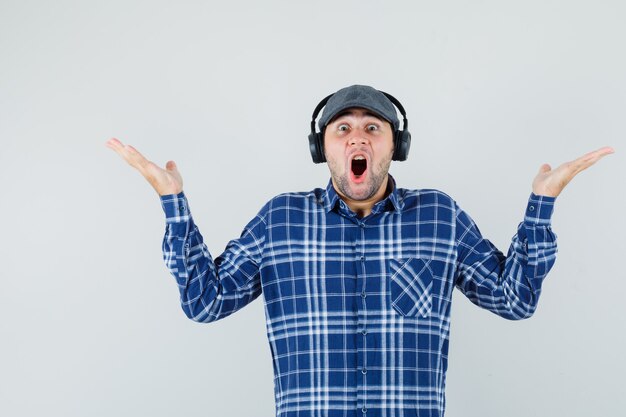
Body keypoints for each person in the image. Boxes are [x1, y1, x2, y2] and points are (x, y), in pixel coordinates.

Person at [106, 85, 614, 417]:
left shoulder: (439, 216)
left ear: (396, 145)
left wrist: (542, 203)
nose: (358, 139)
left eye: (373, 128)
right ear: (321, 147)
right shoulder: (279, 220)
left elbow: (515, 299)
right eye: (342, 129)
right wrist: (172, 201)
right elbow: (204, 301)